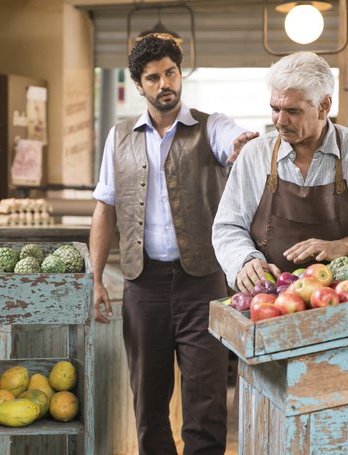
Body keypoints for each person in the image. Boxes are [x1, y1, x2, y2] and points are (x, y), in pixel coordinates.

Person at [89, 33, 258, 455]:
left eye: (171, 73)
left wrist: (241, 147)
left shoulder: (210, 126)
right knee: (148, 400)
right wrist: (94, 279)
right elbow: (104, 209)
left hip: (202, 283)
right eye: (153, 77)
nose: (165, 83)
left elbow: (232, 141)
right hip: (142, 286)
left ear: (180, 74)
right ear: (139, 84)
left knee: (206, 400)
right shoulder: (119, 137)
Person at [212, 52, 348, 293]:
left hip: (345, 299)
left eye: (293, 111)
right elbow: (228, 226)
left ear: (324, 106)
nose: (280, 121)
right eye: (275, 108)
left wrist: (342, 246)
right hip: (269, 301)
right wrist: (245, 260)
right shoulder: (255, 155)